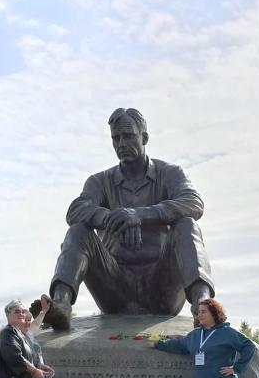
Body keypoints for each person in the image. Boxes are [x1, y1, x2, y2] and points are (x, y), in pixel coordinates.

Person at [43, 107, 214, 330]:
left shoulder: (170, 173)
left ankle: (203, 306)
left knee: (187, 224)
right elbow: (75, 210)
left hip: (162, 289)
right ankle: (61, 305)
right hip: (114, 287)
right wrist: (110, 218)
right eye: (116, 138)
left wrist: (139, 215)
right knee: (78, 231)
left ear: (144, 137)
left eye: (128, 136)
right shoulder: (99, 181)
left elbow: (194, 203)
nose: (121, 143)